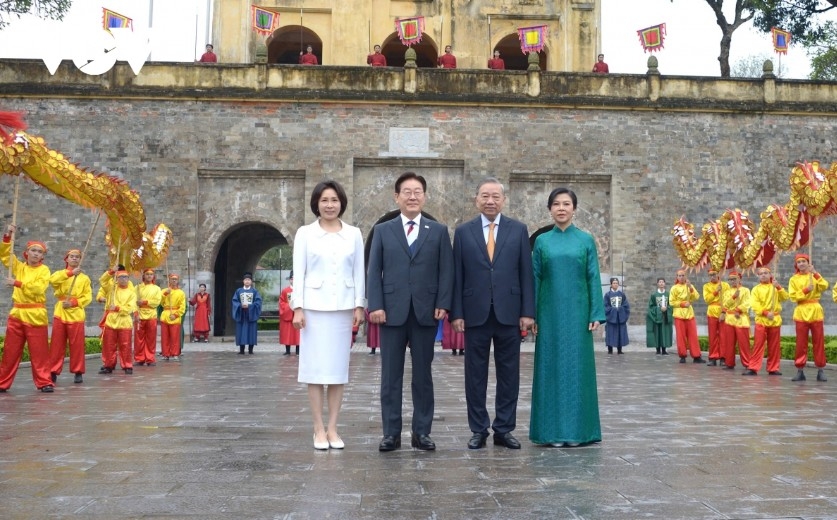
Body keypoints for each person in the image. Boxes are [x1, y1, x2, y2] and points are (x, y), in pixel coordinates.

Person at [367, 171, 454, 452]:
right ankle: (391, 433)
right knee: (390, 377)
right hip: (390, 313)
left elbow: (446, 270)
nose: (412, 196)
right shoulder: (383, 230)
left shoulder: (438, 231)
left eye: (418, 191)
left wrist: (443, 302)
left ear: (424, 196)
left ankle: (422, 432)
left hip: (425, 312)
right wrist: (376, 304)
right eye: (407, 191)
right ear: (397, 196)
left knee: (423, 376)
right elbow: (373, 271)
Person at [451, 177, 535, 450]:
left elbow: (525, 273)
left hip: (509, 313)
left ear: (503, 200)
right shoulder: (463, 232)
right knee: (474, 375)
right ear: (476, 199)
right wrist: (457, 313)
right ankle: (478, 429)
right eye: (485, 196)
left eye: (495, 196)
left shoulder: (518, 230)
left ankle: (504, 428)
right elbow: (457, 275)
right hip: (474, 313)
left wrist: (527, 312)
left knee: (509, 374)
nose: (490, 201)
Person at [292, 180, 366, 450]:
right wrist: (297, 307)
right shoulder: (305, 233)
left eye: (334, 200)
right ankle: (318, 428)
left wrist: (359, 304)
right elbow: (299, 271)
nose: (329, 205)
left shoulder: (354, 234)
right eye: (324, 200)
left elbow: (359, 271)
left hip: (343, 308)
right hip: (312, 309)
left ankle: (333, 427)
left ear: (341, 203)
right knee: (314, 370)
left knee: (337, 371)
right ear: (316, 203)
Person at [529, 188, 605, 447]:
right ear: (550, 209)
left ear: (574, 208)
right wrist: (532, 314)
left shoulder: (585, 240)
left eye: (567, 204)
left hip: (578, 315)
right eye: (557, 204)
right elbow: (535, 278)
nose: (561, 208)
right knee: (550, 369)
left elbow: (593, 276)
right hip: (549, 314)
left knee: (577, 369)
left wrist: (596, 312)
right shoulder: (542, 242)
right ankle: (549, 432)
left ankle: (580, 431)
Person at [0, 225, 53, 393]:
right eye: (33, 250)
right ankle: (2, 382)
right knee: (10, 351)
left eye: (39, 252)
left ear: (43, 256)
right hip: (17, 313)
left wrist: (17, 283)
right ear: (27, 252)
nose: (36, 254)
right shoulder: (19, 267)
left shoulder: (44, 270)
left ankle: (44, 382)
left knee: (39, 351)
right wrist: (8, 237)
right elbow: (6, 257)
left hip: (35, 314)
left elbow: (38, 288)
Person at [48, 248, 93, 384]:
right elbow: (53, 281)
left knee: (77, 344)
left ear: (80, 260)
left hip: (76, 313)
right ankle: (53, 370)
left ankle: (78, 371)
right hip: (61, 311)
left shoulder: (84, 278)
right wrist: (70, 273)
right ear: (66, 259)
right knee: (57, 344)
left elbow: (88, 296)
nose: (74, 258)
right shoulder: (60, 274)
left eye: (77, 257)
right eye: (72, 256)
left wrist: (74, 302)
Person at [788, 253, 828, 382]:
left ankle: (821, 369)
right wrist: (806, 290)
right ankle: (800, 370)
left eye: (803, 261)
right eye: (799, 262)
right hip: (801, 311)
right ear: (796, 265)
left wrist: (815, 273)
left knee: (818, 341)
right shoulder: (793, 279)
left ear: (808, 263)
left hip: (815, 310)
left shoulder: (814, 276)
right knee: (801, 343)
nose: (801, 264)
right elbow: (793, 296)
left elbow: (824, 286)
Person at [747, 267, 788, 376]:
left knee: (774, 345)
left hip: (774, 319)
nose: (763, 275)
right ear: (758, 276)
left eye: (766, 273)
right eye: (761, 274)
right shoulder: (756, 289)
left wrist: (778, 287)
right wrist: (765, 313)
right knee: (758, 344)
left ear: (770, 274)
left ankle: (773, 368)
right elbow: (754, 304)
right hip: (762, 319)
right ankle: (753, 367)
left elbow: (785, 297)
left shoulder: (775, 287)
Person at [99, 267, 137, 375]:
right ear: (116, 279)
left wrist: (117, 308)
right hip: (111, 321)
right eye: (120, 277)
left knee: (125, 345)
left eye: (125, 277)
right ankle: (108, 365)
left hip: (124, 321)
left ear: (128, 279)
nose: (123, 279)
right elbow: (102, 280)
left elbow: (130, 308)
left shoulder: (131, 293)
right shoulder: (111, 289)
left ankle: (127, 365)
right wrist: (110, 271)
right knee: (109, 345)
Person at [669, 270, 704, 363]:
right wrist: (683, 304)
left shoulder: (689, 286)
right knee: (681, 336)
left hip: (689, 314)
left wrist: (690, 288)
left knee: (693, 336)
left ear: (686, 276)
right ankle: (682, 355)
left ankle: (696, 356)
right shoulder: (674, 288)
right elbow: (671, 302)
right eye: (679, 276)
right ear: (677, 277)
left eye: (683, 275)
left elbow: (696, 297)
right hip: (679, 314)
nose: (681, 277)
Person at [720, 271, 751, 372]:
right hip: (729, 318)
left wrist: (739, 309)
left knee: (743, 343)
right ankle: (729, 362)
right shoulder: (727, 292)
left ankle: (747, 364)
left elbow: (748, 303)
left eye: (734, 279)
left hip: (741, 318)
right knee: (729, 342)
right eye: (731, 279)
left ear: (739, 279)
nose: (732, 281)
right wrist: (734, 297)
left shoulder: (745, 290)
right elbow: (725, 305)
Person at [135, 268, 162, 366]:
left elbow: (157, 302)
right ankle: (139, 358)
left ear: (153, 276)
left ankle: (150, 358)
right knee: (139, 338)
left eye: (151, 274)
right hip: (140, 314)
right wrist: (136, 314)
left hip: (151, 315)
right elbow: (133, 302)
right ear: (143, 276)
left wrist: (145, 302)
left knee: (151, 338)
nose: (149, 276)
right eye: (147, 274)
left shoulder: (157, 289)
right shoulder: (137, 287)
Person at [702, 269, 728, 366]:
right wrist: (716, 291)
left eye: (714, 274)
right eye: (710, 275)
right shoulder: (706, 286)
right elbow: (707, 299)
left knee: (723, 336)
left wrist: (724, 312)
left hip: (722, 311)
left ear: (718, 274)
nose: (712, 276)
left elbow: (728, 299)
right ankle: (713, 357)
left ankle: (723, 357)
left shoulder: (725, 285)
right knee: (713, 336)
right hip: (712, 311)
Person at [232, 272, 262, 354]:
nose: (247, 281)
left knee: (251, 332)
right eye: (246, 280)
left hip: (251, 315)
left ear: (251, 281)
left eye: (249, 280)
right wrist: (240, 305)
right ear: (243, 281)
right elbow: (235, 301)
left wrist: (249, 306)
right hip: (242, 314)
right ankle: (241, 350)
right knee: (241, 332)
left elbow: (258, 303)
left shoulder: (255, 292)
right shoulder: (239, 291)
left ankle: (250, 350)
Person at [160, 274, 186, 361]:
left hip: (174, 315)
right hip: (165, 314)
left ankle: (175, 353)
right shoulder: (164, 291)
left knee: (175, 337)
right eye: (172, 279)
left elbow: (182, 307)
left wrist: (175, 315)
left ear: (178, 281)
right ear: (169, 280)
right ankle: (165, 354)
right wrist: (165, 294)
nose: (174, 281)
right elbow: (160, 302)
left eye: (175, 279)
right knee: (165, 336)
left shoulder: (181, 293)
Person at [603, 277, 630, 354]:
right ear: (611, 284)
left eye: (617, 283)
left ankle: (619, 350)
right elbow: (605, 306)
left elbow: (626, 305)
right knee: (610, 333)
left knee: (620, 333)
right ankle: (610, 349)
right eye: (614, 283)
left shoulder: (621, 294)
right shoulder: (607, 295)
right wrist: (614, 310)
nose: (615, 284)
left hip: (620, 317)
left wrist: (620, 310)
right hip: (611, 318)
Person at [646, 278, 672, 355]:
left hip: (665, 317)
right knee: (657, 332)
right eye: (659, 282)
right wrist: (659, 309)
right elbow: (651, 307)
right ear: (657, 284)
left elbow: (671, 305)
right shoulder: (654, 295)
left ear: (665, 284)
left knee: (664, 332)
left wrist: (667, 308)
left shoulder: (668, 294)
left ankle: (664, 349)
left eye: (662, 282)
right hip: (657, 317)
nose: (661, 283)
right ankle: (657, 349)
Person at [279, 272, 299, 355]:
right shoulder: (285, 291)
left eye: (295, 278)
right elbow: (281, 302)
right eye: (291, 278)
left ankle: (298, 350)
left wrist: (298, 307)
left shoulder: (300, 290)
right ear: (289, 280)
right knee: (287, 333)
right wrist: (289, 307)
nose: (293, 280)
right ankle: (287, 350)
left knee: (298, 333)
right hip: (288, 314)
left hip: (298, 314)